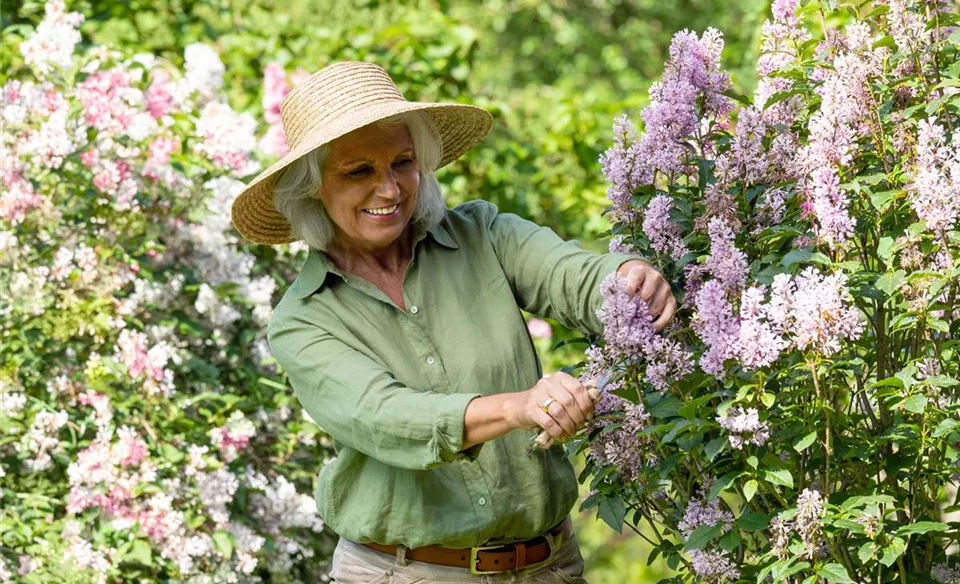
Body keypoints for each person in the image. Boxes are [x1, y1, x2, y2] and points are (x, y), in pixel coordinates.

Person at [231, 61, 677, 584]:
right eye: (359, 172)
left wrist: (623, 275)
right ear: (312, 190)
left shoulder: (484, 235)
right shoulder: (303, 320)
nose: (391, 189)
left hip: (548, 567)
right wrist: (517, 406)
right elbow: (387, 416)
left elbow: (571, 275)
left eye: (403, 162)